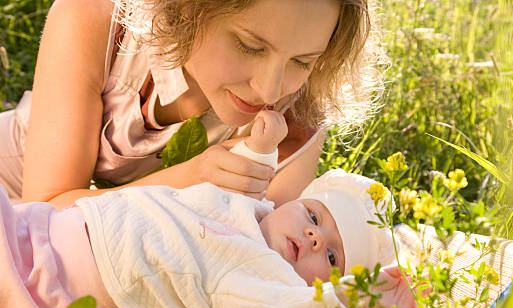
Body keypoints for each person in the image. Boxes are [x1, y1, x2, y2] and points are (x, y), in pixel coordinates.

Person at [0, 116, 415, 308]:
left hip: (39, 274)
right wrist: (263, 144)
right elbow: (252, 174)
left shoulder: (259, 274)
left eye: (330, 258)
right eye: (312, 216)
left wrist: (359, 301)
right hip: (39, 222)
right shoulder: (257, 209)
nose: (313, 238)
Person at [0, 0, 385, 209]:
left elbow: (256, 251)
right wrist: (192, 179)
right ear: (188, 9)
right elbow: (44, 219)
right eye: (249, 45)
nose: (269, 90)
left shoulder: (296, 114)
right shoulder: (93, 19)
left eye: (302, 61)